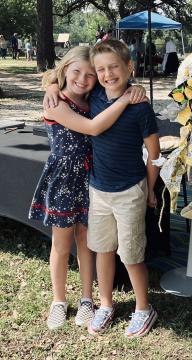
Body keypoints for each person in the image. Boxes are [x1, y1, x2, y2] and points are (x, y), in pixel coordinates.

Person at [45, 39, 160, 337]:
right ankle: (82, 302)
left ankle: (120, 305)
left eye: (93, 74)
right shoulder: (76, 99)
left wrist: (149, 190)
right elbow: (90, 119)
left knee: (112, 249)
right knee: (82, 246)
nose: (101, 75)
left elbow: (154, 153)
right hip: (83, 186)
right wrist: (52, 86)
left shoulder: (119, 103)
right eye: (99, 70)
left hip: (113, 185)